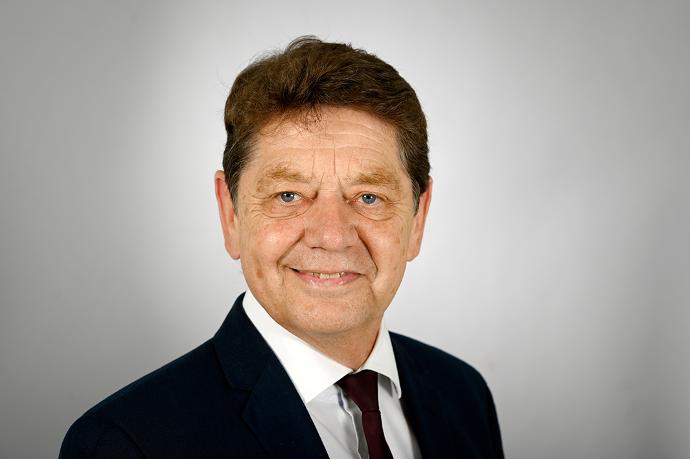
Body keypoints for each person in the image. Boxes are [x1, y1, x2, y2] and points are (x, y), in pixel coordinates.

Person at [59, 36, 504, 459]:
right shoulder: (127, 443)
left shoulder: (463, 395)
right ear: (231, 214)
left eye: (369, 197)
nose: (332, 236)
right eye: (288, 196)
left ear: (418, 219)